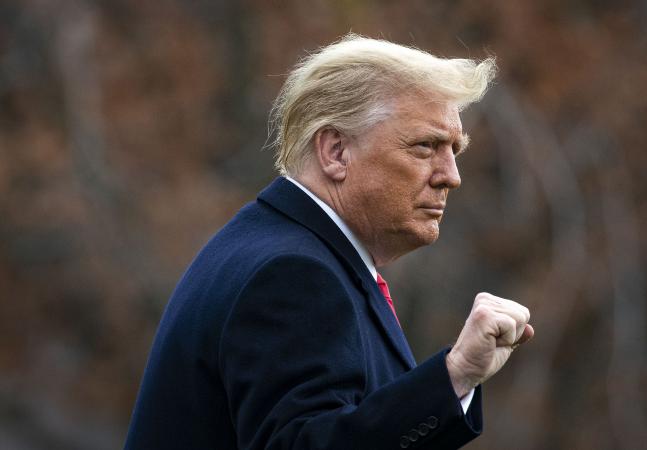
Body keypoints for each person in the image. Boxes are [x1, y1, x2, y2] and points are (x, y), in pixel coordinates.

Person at [124, 34, 534, 450]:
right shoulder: (292, 274)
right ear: (335, 152)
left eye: (455, 150)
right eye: (425, 146)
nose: (451, 174)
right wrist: (455, 374)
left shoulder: (284, 250)